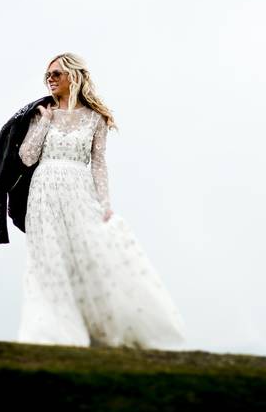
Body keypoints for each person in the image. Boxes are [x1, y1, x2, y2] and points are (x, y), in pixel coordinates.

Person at [16, 52, 187, 349]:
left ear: (73, 75)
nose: (50, 79)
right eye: (47, 75)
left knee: (86, 257)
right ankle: (51, 332)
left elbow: (98, 163)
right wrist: (45, 122)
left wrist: (105, 203)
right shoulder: (40, 113)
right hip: (43, 193)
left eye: (56, 73)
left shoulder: (95, 119)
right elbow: (27, 157)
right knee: (48, 260)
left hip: (79, 192)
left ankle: (98, 328)